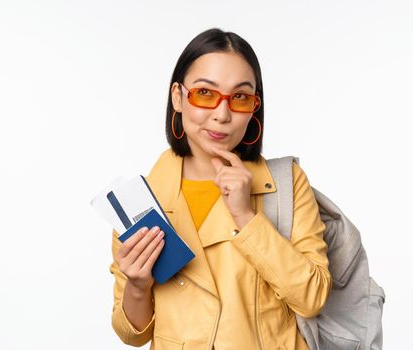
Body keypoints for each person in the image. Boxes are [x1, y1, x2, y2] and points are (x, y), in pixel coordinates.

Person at [109, 28, 332, 349]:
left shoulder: (285, 183)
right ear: (178, 97)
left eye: (240, 97)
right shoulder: (141, 199)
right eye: (205, 93)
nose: (222, 114)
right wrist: (137, 286)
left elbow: (312, 298)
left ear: (254, 106)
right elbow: (132, 334)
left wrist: (246, 216)